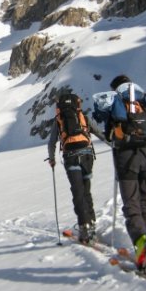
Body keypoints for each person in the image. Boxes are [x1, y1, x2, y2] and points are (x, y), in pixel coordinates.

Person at [99, 74, 146, 270]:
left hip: (127, 158)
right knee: (145, 202)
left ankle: (142, 248)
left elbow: (108, 132)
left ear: (115, 88)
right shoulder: (143, 99)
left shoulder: (116, 101)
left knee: (131, 205)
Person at [47, 90, 106, 244]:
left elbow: (52, 141)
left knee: (77, 192)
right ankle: (91, 223)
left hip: (71, 157)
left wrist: (52, 159)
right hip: (87, 155)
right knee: (86, 190)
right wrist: (113, 144)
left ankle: (84, 226)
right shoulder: (83, 117)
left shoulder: (59, 120)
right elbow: (99, 132)